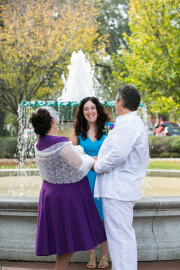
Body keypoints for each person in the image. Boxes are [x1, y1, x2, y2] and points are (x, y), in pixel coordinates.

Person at [29, 106, 107, 270]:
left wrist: (78, 152)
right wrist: (90, 159)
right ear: (52, 121)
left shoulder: (39, 143)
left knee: (63, 241)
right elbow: (79, 164)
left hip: (50, 194)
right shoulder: (60, 143)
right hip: (67, 196)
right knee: (68, 242)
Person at [92, 85, 149, 270]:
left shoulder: (129, 123)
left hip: (118, 190)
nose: (114, 103)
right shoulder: (128, 122)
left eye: (116, 99)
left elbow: (118, 154)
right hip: (119, 189)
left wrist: (97, 166)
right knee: (120, 239)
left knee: (120, 240)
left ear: (121, 101)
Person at [70, 97, 114, 269]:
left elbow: (116, 151)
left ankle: (104, 255)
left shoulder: (109, 127)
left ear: (98, 109)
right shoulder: (77, 130)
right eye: (86, 109)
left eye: (92, 108)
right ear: (82, 112)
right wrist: (88, 159)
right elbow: (71, 155)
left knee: (104, 219)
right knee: (89, 217)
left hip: (104, 178)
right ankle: (91, 255)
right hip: (85, 179)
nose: (90, 112)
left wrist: (98, 159)